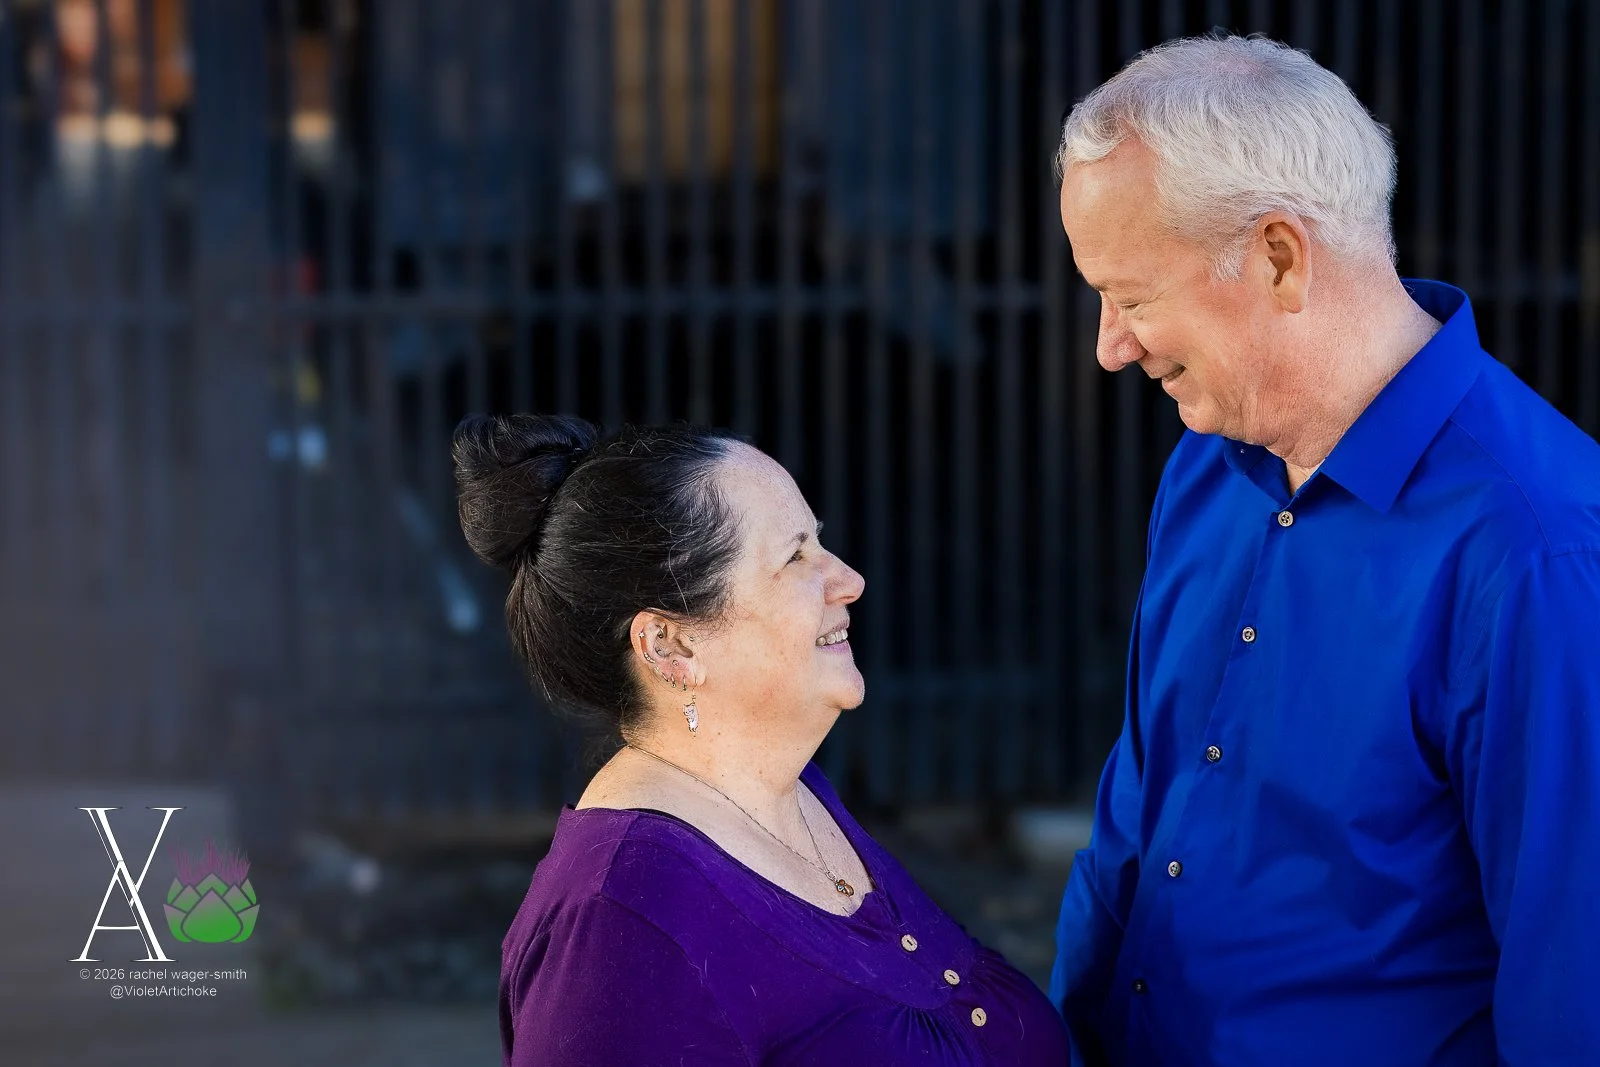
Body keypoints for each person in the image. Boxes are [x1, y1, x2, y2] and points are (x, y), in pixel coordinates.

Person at [1048, 34, 1600, 1066]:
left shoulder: (1539, 551)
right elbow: (1134, 817)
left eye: (1129, 294)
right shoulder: (1206, 467)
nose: (1109, 345)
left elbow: (1576, 988)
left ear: (1277, 256)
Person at [453, 414, 1071, 1066]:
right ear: (672, 645)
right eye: (796, 555)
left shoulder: (792, 797)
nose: (849, 579)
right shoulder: (620, 924)